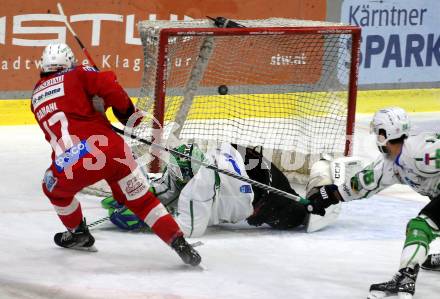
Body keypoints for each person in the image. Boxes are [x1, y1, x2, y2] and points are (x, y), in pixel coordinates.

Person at [31, 43, 201, 266]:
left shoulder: (35, 96)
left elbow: (70, 116)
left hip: (74, 160)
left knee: (51, 187)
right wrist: (128, 114)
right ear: (69, 63)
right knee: (142, 201)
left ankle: (78, 233)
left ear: (43, 66)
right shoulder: (79, 72)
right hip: (112, 150)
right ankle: (179, 242)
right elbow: (109, 86)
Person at [305, 107, 440, 298]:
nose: (377, 137)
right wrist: (328, 196)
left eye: (378, 133)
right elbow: (361, 184)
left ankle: (405, 279)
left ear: (385, 134)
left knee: (421, 227)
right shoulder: (390, 164)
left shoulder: (422, 152)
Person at [102, 144, 309, 237]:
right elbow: (170, 186)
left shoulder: (198, 190)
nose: (173, 178)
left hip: (267, 198)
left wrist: (147, 220)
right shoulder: (195, 159)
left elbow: (188, 229)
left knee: (302, 216)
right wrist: (137, 196)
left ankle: (320, 198)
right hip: (250, 164)